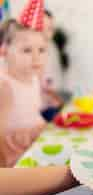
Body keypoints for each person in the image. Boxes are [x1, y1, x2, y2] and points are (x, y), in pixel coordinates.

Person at [0, 19, 48, 167]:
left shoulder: (33, 78)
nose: (36, 57)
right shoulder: (5, 86)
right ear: (5, 50)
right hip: (14, 153)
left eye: (41, 50)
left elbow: (33, 111)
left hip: (36, 139)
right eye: (27, 50)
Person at [41, 9, 64, 122]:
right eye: (42, 28)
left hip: (52, 104)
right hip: (38, 109)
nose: (48, 33)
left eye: (50, 28)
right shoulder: (29, 51)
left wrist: (58, 98)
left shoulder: (52, 47)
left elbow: (55, 78)